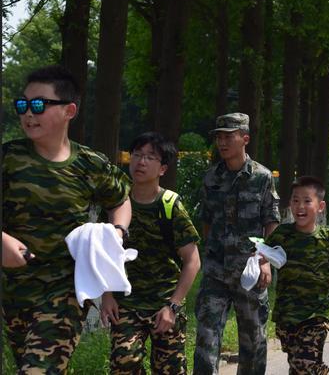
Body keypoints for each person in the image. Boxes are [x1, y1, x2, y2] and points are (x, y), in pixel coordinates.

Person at [2, 65, 132, 373]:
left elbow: (121, 200)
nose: (28, 114)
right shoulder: (9, 158)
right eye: (23, 105)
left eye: (38, 105)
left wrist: (118, 231)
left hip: (64, 293)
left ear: (69, 110)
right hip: (15, 293)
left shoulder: (90, 163)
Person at [101, 132, 201, 374]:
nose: (141, 162)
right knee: (124, 364)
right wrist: (106, 296)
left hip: (164, 304)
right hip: (126, 303)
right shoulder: (116, 202)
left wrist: (173, 307)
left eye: (150, 157)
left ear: (163, 169)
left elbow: (193, 261)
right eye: (136, 155)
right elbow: (102, 253)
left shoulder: (170, 205)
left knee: (170, 370)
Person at [193, 112, 281, 374]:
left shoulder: (262, 177)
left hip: (250, 271)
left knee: (253, 342)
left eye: (228, 136)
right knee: (206, 339)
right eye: (219, 136)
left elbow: (271, 222)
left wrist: (264, 261)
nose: (222, 142)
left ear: (245, 139)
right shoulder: (211, 178)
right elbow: (206, 221)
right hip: (216, 272)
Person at [265, 176, 329, 374]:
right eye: (295, 200)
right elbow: (263, 253)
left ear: (320, 206)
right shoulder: (282, 234)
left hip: (316, 312)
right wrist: (262, 266)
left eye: (307, 201)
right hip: (286, 313)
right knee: (297, 363)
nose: (300, 206)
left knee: (305, 363)